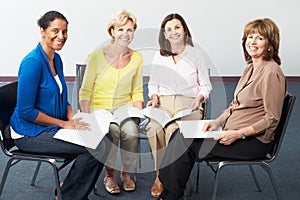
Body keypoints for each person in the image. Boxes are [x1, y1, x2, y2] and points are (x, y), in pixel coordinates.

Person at [158, 18, 287, 200]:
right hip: (231, 131)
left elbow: (272, 118)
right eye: (250, 37)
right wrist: (216, 122)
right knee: (177, 134)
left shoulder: (271, 72)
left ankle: (172, 194)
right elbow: (235, 105)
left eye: (260, 38)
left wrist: (239, 134)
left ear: (270, 44)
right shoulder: (250, 69)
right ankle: (169, 188)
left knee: (185, 144)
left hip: (252, 142)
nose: (253, 42)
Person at [9, 10, 112, 200]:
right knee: (94, 148)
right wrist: (64, 124)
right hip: (30, 132)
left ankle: (69, 189)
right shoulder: (32, 63)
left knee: (106, 136)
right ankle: (68, 196)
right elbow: (26, 112)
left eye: (64, 32)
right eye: (55, 31)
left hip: (53, 125)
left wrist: (75, 117)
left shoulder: (56, 58)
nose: (61, 36)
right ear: (42, 31)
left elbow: (61, 97)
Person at [146, 13, 213, 198]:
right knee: (153, 129)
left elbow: (206, 85)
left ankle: (171, 181)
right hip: (163, 102)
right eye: (169, 29)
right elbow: (153, 84)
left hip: (188, 103)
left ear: (184, 30)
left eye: (177, 27)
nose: (173, 32)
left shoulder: (196, 54)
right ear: (164, 35)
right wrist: (153, 96)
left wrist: (200, 98)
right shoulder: (159, 56)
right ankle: (160, 175)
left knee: (173, 131)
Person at [79, 10, 143, 194]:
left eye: (130, 30)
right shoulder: (96, 55)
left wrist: (138, 109)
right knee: (112, 131)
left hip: (124, 106)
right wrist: (86, 115)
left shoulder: (137, 57)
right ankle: (110, 174)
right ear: (112, 31)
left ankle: (126, 173)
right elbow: (85, 90)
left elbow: (137, 89)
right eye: (121, 29)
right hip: (99, 107)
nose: (126, 34)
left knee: (131, 131)